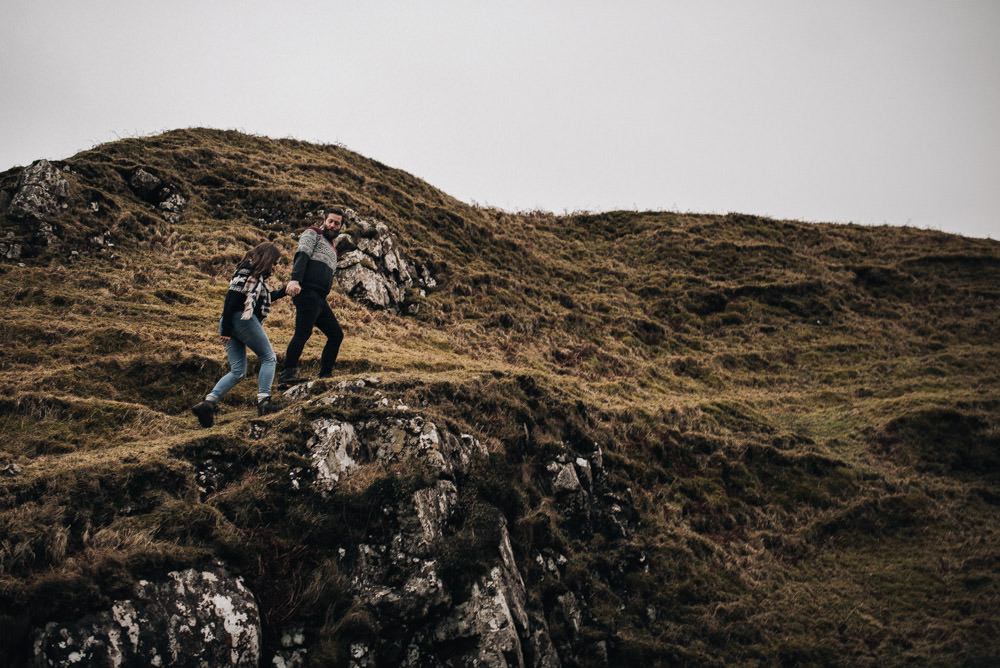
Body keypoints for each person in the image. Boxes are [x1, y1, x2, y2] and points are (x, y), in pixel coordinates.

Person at [192, 242, 290, 427]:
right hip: (239, 320)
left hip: (231, 321)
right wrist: (227, 329)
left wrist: (284, 291)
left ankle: (208, 404)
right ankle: (264, 403)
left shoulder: (254, 277)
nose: (275, 267)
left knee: (238, 372)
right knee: (269, 358)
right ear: (267, 258)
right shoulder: (246, 271)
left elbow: (263, 297)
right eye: (275, 262)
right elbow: (232, 298)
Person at [278, 207, 346, 388]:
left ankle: (325, 375)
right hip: (306, 291)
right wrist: (295, 280)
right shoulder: (312, 233)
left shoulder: (334, 249)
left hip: (320, 298)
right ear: (324, 220)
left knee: (336, 334)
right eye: (330, 221)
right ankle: (287, 375)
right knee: (303, 332)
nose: (332, 225)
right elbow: (302, 255)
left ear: (341, 227)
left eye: (337, 223)